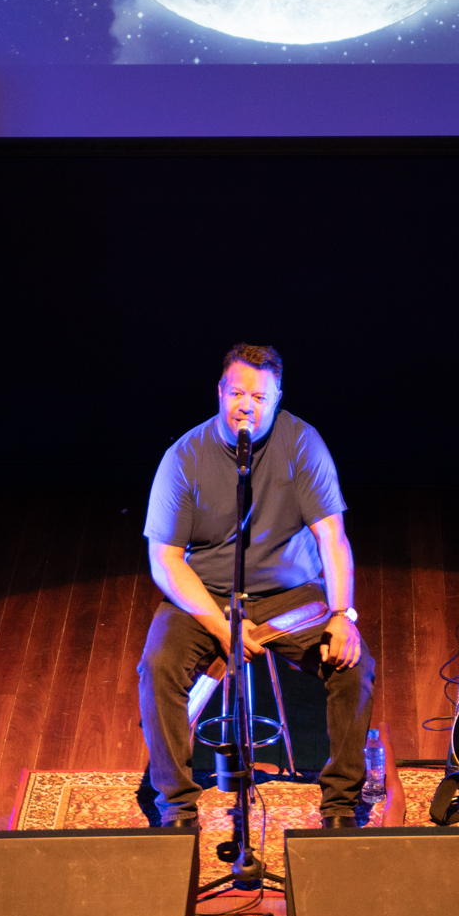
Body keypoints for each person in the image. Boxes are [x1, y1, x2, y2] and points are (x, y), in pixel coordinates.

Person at [138, 343, 374, 828]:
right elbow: (165, 561)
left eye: (260, 397)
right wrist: (220, 625)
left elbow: (332, 536)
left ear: (277, 399)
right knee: (157, 667)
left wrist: (341, 614)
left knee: (354, 664)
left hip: (290, 595)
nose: (247, 405)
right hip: (205, 597)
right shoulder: (183, 458)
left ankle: (340, 803)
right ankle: (176, 806)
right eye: (237, 393)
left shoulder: (302, 443)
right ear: (220, 393)